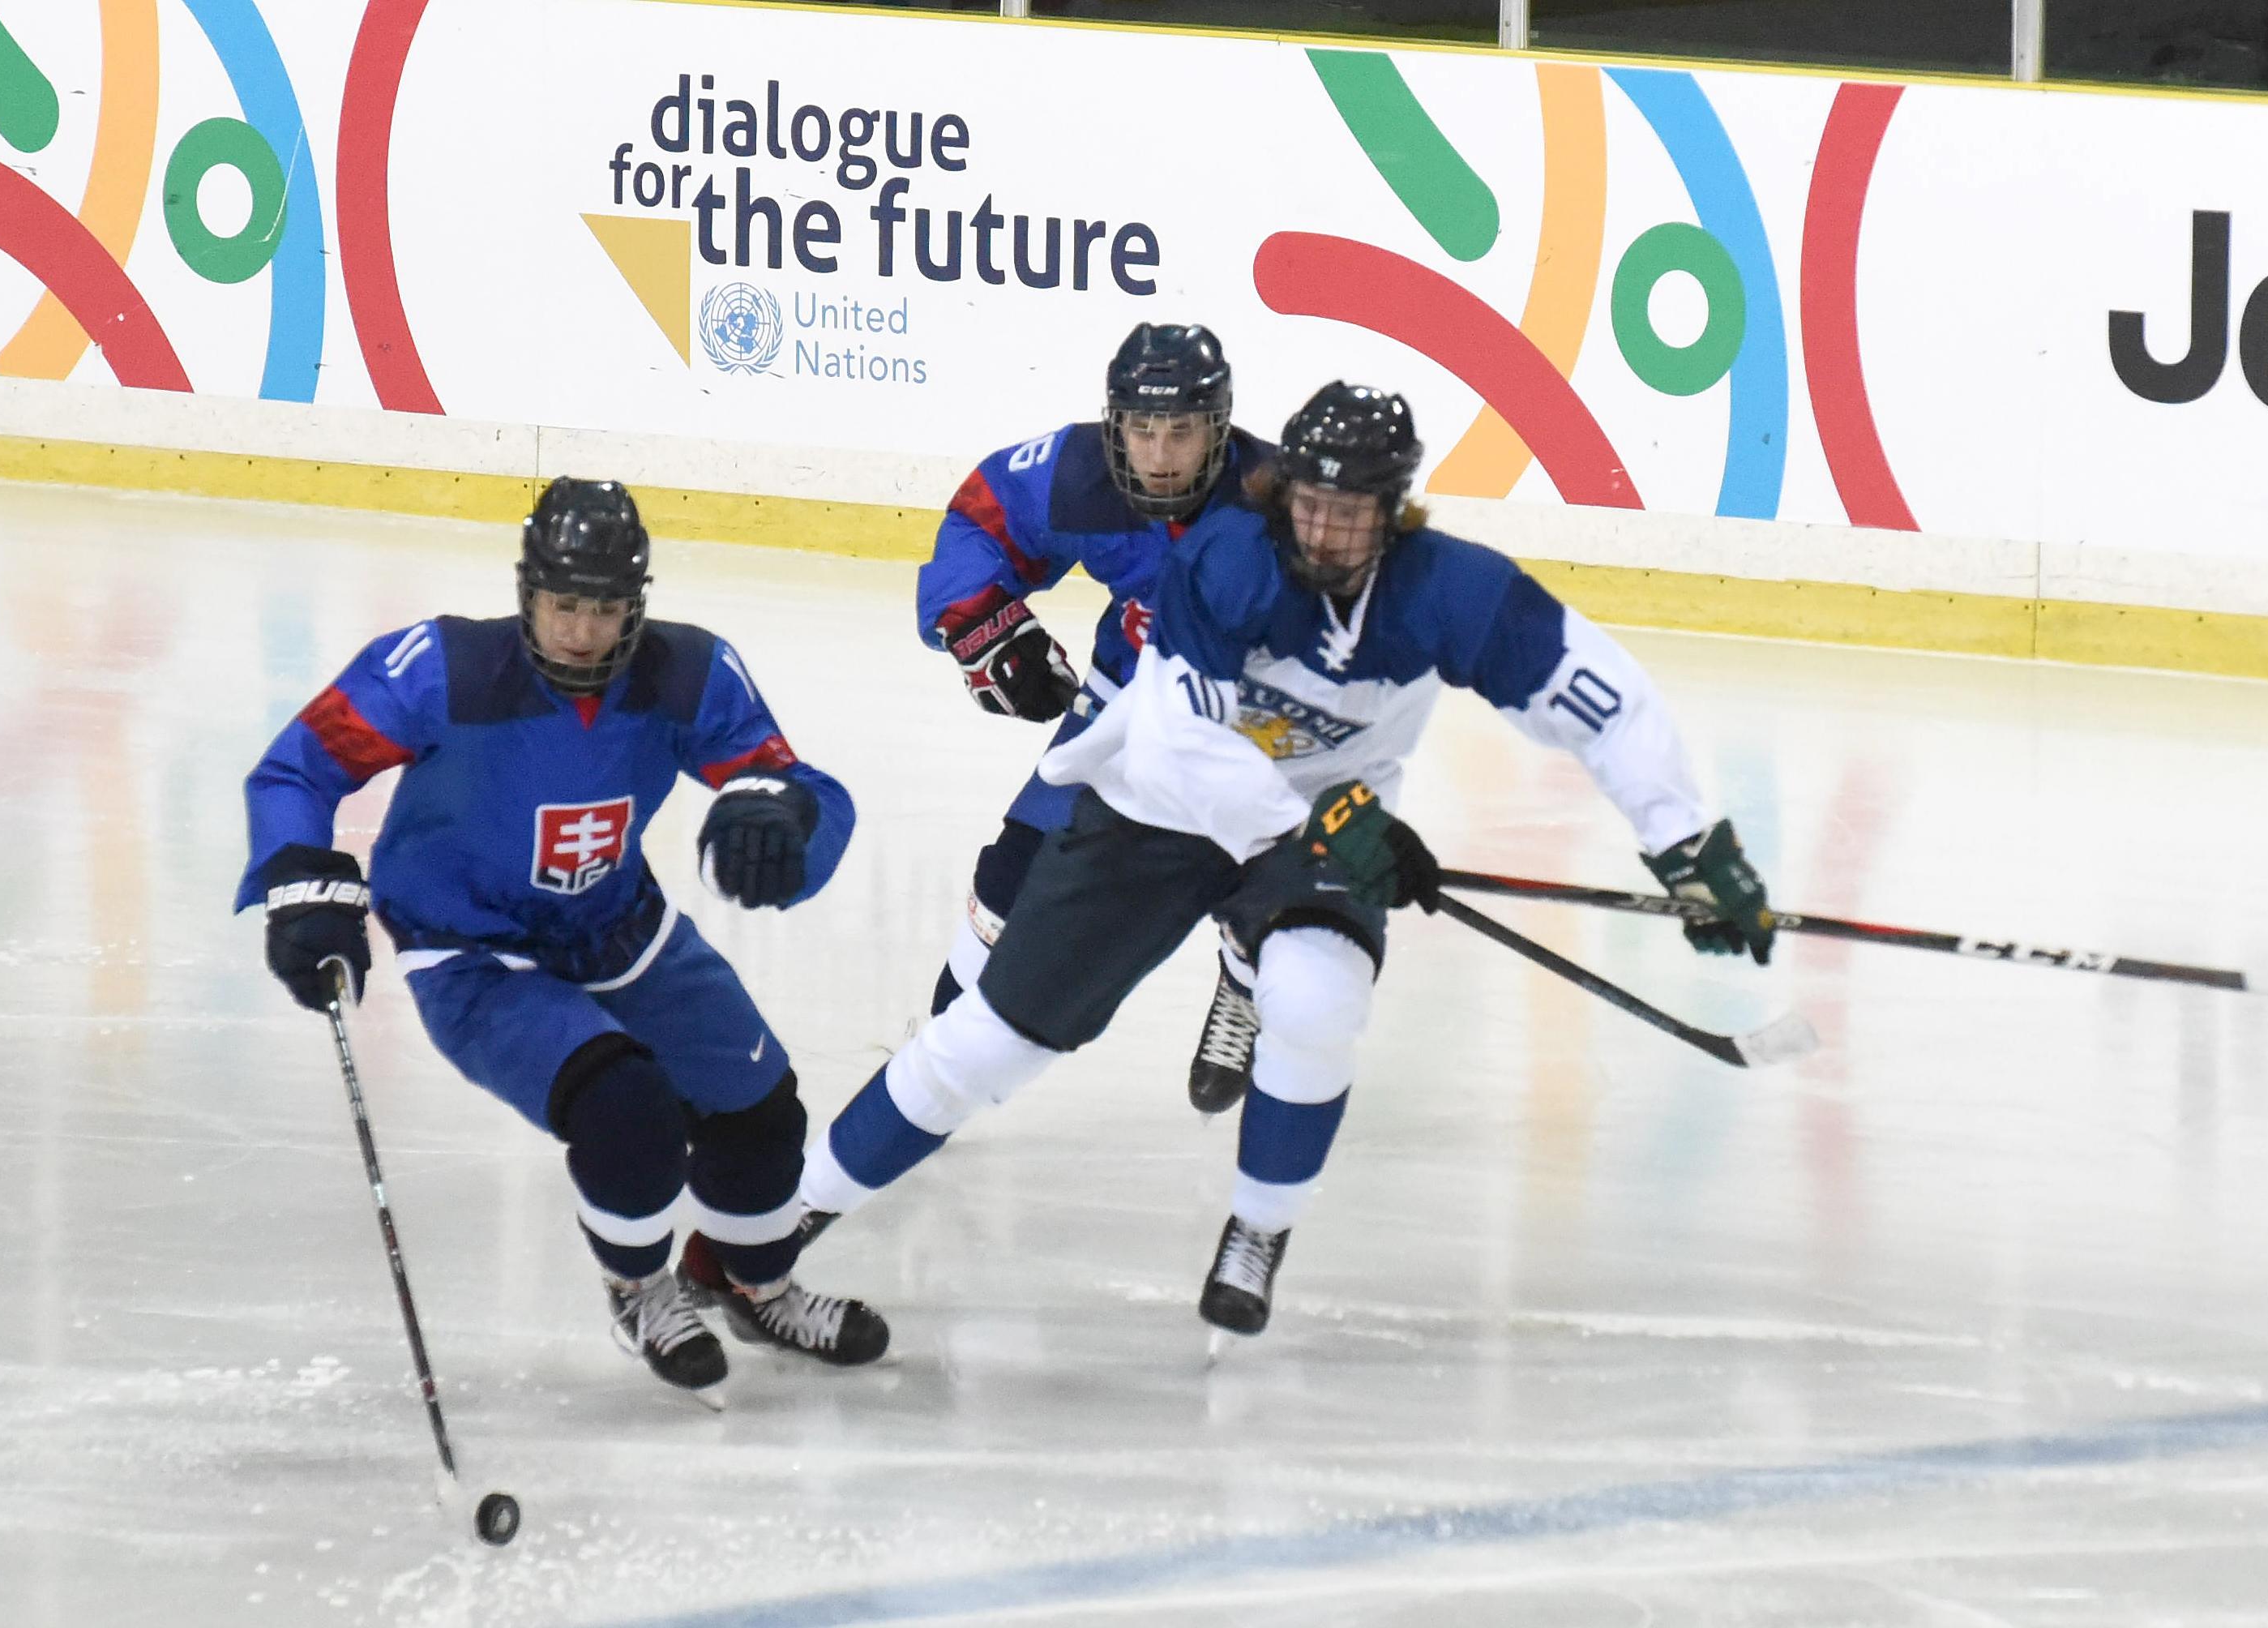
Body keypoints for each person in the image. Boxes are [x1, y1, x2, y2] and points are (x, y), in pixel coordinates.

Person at [791, 384, 1775, 1342]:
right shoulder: (1226, 560)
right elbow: (1180, 743)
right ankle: (787, 1217)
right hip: (1159, 811)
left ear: (1395, 514)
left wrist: (1681, 839)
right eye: (1307, 503)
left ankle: (1256, 1231)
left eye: (1350, 514)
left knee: (1313, 1006)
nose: (1321, 531)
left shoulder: (1450, 588)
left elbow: (1599, 696)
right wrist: (1333, 823)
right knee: (988, 1046)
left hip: (1320, 823)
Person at [237, 478, 888, 1408]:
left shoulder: (688, 673)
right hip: (474, 951)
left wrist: (783, 821)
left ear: (638, 604)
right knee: (628, 1112)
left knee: (762, 1113)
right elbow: (301, 765)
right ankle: (638, 1288)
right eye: (562, 605)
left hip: (619, 928)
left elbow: (792, 779)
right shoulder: (439, 669)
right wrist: (303, 882)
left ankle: (756, 1287)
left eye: (605, 608)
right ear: (526, 594)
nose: (582, 631)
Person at [915, 321, 1277, 1114]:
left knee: (1265, 892)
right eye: (1140, 429)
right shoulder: (1081, 474)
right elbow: (981, 518)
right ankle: (941, 1051)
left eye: (1179, 430)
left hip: (1251, 721)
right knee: (1014, 878)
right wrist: (980, 623)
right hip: (1127, 699)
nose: (1157, 453)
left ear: (1217, 428)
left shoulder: (1277, 507)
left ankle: (1244, 979)